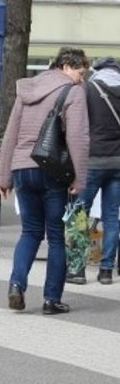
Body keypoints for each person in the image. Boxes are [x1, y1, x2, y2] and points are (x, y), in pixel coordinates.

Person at [0, 46, 90, 315]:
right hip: (52, 170)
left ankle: (16, 285)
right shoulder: (72, 92)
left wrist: (4, 176)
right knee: (56, 237)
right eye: (80, 72)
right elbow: (78, 138)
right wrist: (80, 178)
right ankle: (51, 299)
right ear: (65, 66)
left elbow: (10, 134)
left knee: (30, 232)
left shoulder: (27, 89)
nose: (81, 79)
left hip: (22, 168)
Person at [72, 56, 120, 285]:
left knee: (80, 214)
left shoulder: (88, 89)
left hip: (92, 161)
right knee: (112, 217)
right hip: (118, 163)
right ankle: (106, 271)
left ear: (97, 70)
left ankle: (78, 269)